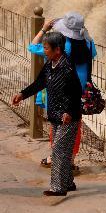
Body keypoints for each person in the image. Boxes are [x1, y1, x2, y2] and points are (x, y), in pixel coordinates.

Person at [12, 32, 83, 197]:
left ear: (57, 50)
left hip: (68, 117)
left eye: (46, 48)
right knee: (63, 150)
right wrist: (22, 94)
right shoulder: (50, 64)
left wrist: (69, 112)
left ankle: (58, 188)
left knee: (58, 150)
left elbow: (76, 92)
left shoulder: (67, 67)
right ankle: (68, 183)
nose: (44, 51)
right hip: (55, 114)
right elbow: (39, 83)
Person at [28, 12, 96, 171]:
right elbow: (92, 54)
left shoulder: (58, 46)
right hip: (79, 92)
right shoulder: (88, 44)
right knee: (75, 126)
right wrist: (85, 34)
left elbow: (32, 46)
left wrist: (44, 29)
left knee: (57, 125)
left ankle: (54, 158)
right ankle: (71, 160)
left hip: (58, 90)